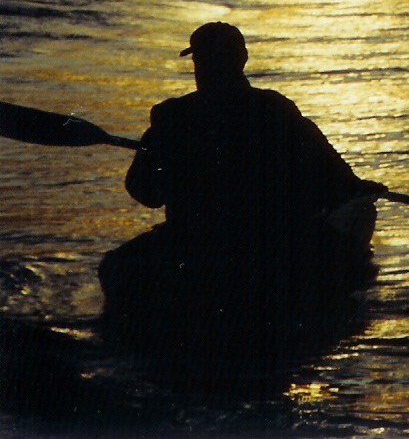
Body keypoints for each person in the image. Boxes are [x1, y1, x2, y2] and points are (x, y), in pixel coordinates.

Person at [100, 22, 382, 366]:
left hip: (193, 245)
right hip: (273, 244)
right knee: (347, 248)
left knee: (113, 268)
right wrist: (361, 190)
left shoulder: (171, 116)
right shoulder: (275, 110)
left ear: (198, 63)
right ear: (243, 59)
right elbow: (335, 180)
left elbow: (145, 192)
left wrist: (158, 153)